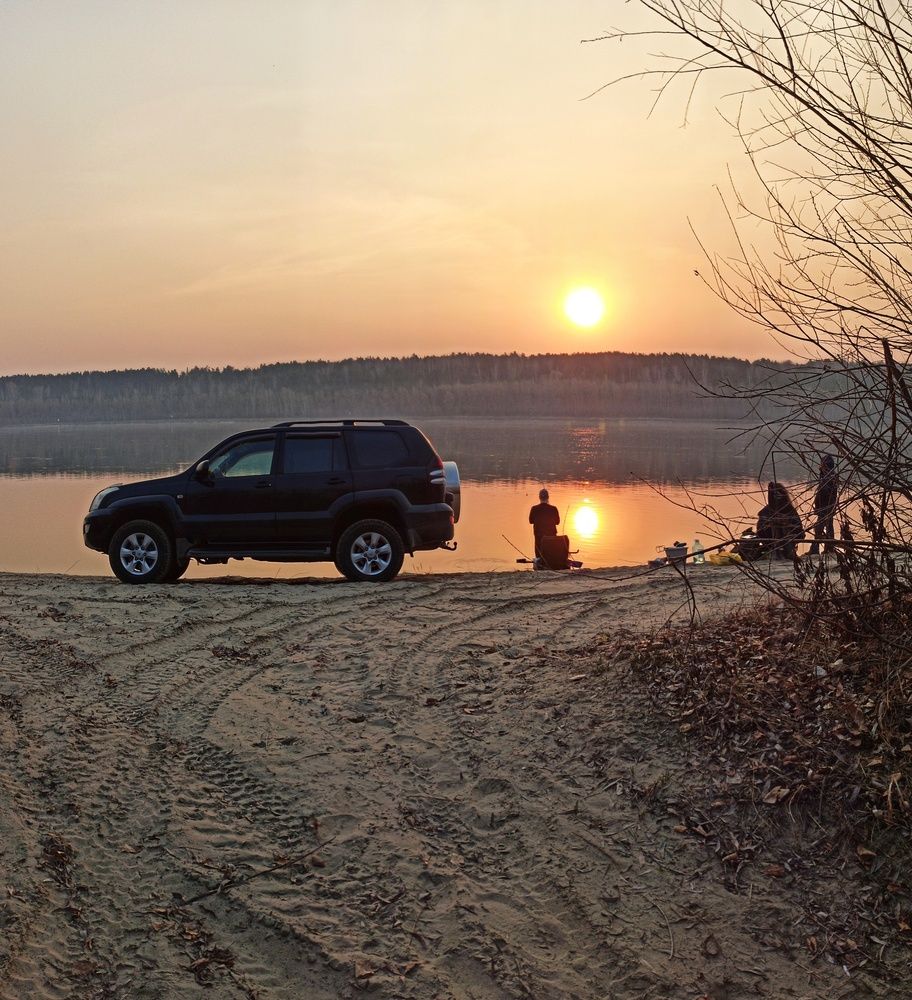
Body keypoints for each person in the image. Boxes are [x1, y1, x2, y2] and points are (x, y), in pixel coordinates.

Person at [757, 481, 805, 560]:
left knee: (783, 529)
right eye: (775, 496)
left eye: (779, 496)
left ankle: (788, 552)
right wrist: (771, 523)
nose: (778, 499)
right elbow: (760, 530)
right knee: (775, 526)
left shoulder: (790, 510)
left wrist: (786, 522)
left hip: (789, 538)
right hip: (771, 539)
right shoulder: (766, 511)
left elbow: (799, 529)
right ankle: (776, 551)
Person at [808, 454, 838, 555]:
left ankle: (819, 549)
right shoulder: (827, 475)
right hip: (825, 507)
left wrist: (820, 506)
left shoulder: (829, 477)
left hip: (826, 507)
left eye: (822, 464)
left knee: (820, 528)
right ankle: (827, 548)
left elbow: (825, 492)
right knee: (826, 527)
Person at [529, 488, 560, 557]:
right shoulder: (554, 509)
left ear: (539, 497)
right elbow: (557, 522)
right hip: (551, 537)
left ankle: (539, 561)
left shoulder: (534, 508)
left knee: (539, 554)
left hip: (539, 537)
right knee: (551, 553)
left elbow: (531, 521)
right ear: (548, 497)